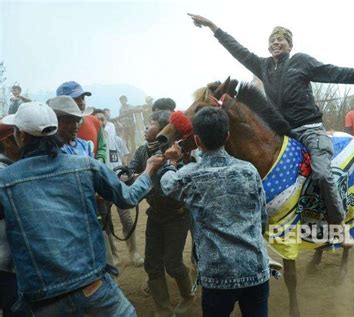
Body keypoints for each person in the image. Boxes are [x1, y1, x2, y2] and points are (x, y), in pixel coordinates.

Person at [188, 14, 354, 234]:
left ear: (290, 45)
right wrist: (213, 26)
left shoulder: (301, 61)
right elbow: (238, 50)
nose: (275, 43)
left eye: (281, 39)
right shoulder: (263, 66)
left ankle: (339, 225)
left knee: (322, 175)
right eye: (272, 40)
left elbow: (334, 72)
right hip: (283, 134)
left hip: (310, 131)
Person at [0, 102, 164, 316]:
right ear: (55, 130)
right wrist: (149, 169)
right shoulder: (86, 165)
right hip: (92, 286)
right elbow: (129, 198)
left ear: (20, 136)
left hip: (42, 299)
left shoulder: (5, 181)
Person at [161, 107, 270, 317]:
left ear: (197, 140)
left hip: (217, 277)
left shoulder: (191, 175)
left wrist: (171, 162)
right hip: (255, 270)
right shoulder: (248, 170)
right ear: (227, 136)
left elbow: (167, 184)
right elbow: (262, 217)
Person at [125, 110, 194, 315]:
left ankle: (189, 295)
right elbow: (129, 172)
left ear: (165, 129)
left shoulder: (178, 152)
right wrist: (131, 175)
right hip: (155, 215)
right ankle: (163, 309)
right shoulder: (142, 151)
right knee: (152, 264)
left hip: (177, 216)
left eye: (152, 123)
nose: (146, 127)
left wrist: (141, 175)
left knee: (173, 263)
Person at [93, 109, 144, 267]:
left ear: (107, 120)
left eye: (103, 119)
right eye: (97, 120)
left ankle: (133, 252)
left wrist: (125, 176)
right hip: (101, 188)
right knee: (106, 223)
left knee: (127, 220)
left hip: (118, 185)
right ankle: (114, 255)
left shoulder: (117, 140)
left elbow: (124, 160)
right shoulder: (91, 143)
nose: (101, 122)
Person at [0, 124, 30, 317]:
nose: (24, 141)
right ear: (8, 141)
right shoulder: (6, 174)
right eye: (20, 136)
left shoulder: (13, 168)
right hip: (8, 266)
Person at [56, 81, 107, 163]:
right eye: (76, 99)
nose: (82, 102)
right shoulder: (54, 146)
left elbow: (102, 147)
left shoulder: (94, 121)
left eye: (83, 98)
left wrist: (98, 163)